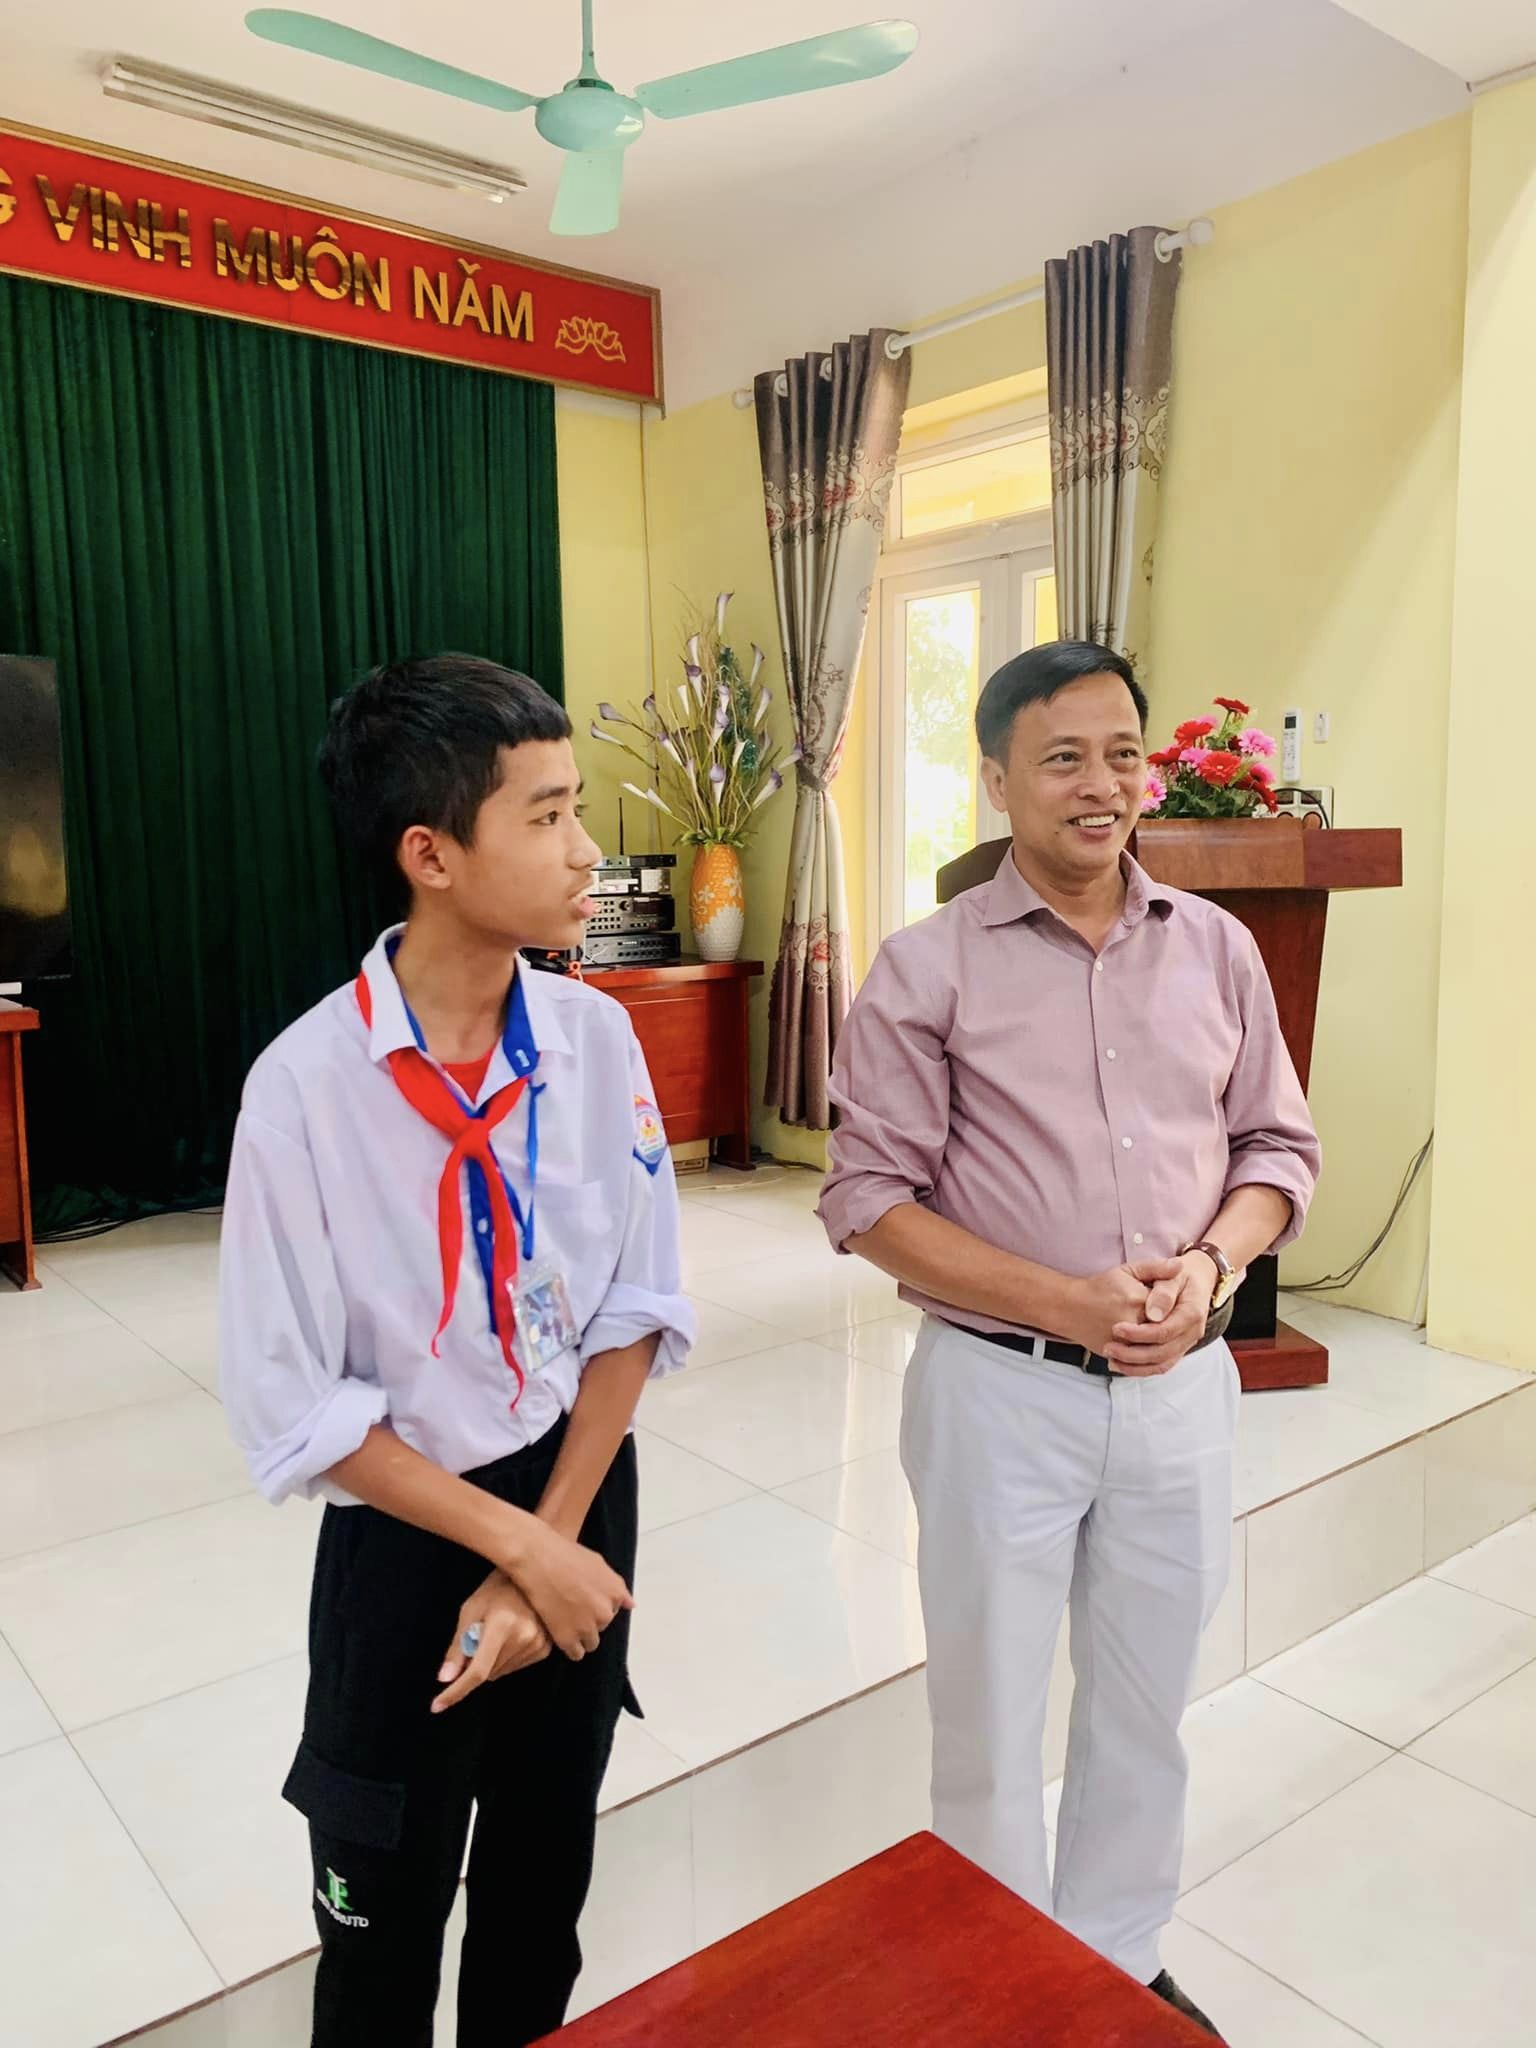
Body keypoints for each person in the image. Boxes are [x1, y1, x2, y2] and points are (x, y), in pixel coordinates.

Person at [819, 640, 1320, 2039]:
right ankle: (993, 1987)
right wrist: (1066, 1303)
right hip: (1001, 1393)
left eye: (1121, 755)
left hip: (1182, 1389)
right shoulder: (925, 968)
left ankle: (1114, 1962)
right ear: (996, 781)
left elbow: (1279, 1148)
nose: (1101, 786)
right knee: (988, 1712)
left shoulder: (1215, 948)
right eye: (1062, 759)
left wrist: (1212, 1270)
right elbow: (866, 1201)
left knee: (1146, 1703)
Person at [219, 655, 693, 2048]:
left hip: (580, 1489)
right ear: (430, 855)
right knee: (381, 1921)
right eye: (546, 817)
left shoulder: (598, 1040)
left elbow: (633, 1308)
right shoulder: (305, 1090)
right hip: (409, 1533)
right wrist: (515, 1554)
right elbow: (296, 1409)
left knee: (541, 1891)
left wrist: (552, 1543)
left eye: (577, 807)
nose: (586, 851)